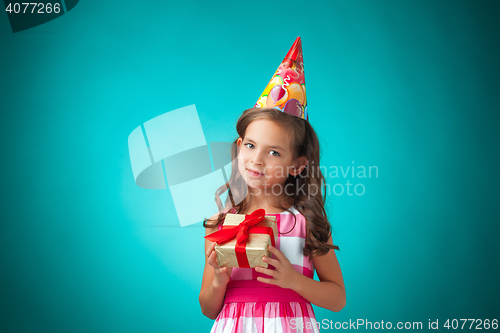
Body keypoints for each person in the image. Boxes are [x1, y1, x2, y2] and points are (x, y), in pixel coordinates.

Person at [199, 106, 346, 332]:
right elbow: (208, 310)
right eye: (250, 146)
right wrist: (219, 281)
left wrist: (293, 281)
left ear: (297, 165)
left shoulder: (307, 223)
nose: (256, 160)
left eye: (273, 152)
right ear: (240, 147)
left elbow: (337, 299)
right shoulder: (221, 225)